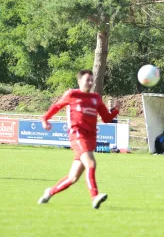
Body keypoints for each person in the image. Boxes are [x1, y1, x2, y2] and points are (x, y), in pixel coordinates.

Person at [37, 69, 121, 209]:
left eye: (91, 80)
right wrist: (45, 119)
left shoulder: (96, 98)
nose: (90, 82)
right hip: (77, 135)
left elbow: (106, 118)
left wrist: (116, 110)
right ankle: (95, 196)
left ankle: (49, 192)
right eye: (87, 80)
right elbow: (57, 106)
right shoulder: (72, 94)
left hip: (90, 138)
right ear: (79, 81)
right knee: (91, 164)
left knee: (73, 178)